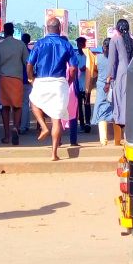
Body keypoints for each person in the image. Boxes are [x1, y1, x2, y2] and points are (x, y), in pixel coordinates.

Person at [28, 17, 77, 161]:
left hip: (42, 80)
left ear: (46, 28)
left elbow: (29, 64)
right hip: (59, 82)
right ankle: (54, 154)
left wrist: (31, 78)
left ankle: (43, 126)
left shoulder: (39, 44)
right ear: (60, 28)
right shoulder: (66, 44)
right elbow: (73, 68)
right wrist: (69, 81)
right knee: (56, 119)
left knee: (33, 102)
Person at [0, 22, 29, 145]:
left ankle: (7, 136)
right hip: (17, 79)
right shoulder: (21, 45)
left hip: (4, 80)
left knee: (5, 108)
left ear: (4, 32)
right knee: (18, 107)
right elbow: (27, 63)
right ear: (13, 31)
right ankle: (16, 128)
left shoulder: (0, 47)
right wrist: (32, 78)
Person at [105, 19, 133, 146]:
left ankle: (124, 137)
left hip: (120, 75)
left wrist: (108, 80)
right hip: (132, 75)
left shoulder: (114, 40)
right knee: (130, 104)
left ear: (117, 29)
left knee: (121, 105)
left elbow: (112, 62)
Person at [92, 37, 114, 145]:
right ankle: (117, 140)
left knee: (101, 111)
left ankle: (103, 140)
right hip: (114, 85)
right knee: (115, 110)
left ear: (103, 47)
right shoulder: (116, 58)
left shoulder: (98, 57)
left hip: (101, 87)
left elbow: (94, 71)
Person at [75, 36, 95, 132]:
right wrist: (79, 69)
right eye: (79, 44)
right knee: (79, 106)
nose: (80, 46)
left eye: (82, 44)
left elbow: (94, 68)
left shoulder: (89, 56)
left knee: (87, 104)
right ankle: (82, 124)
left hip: (87, 84)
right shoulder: (75, 55)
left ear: (84, 44)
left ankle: (88, 123)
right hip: (78, 84)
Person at [19, 32, 33, 133]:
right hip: (29, 80)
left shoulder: (18, 52)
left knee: (21, 104)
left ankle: (22, 126)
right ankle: (26, 124)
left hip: (20, 80)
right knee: (26, 103)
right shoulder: (30, 52)